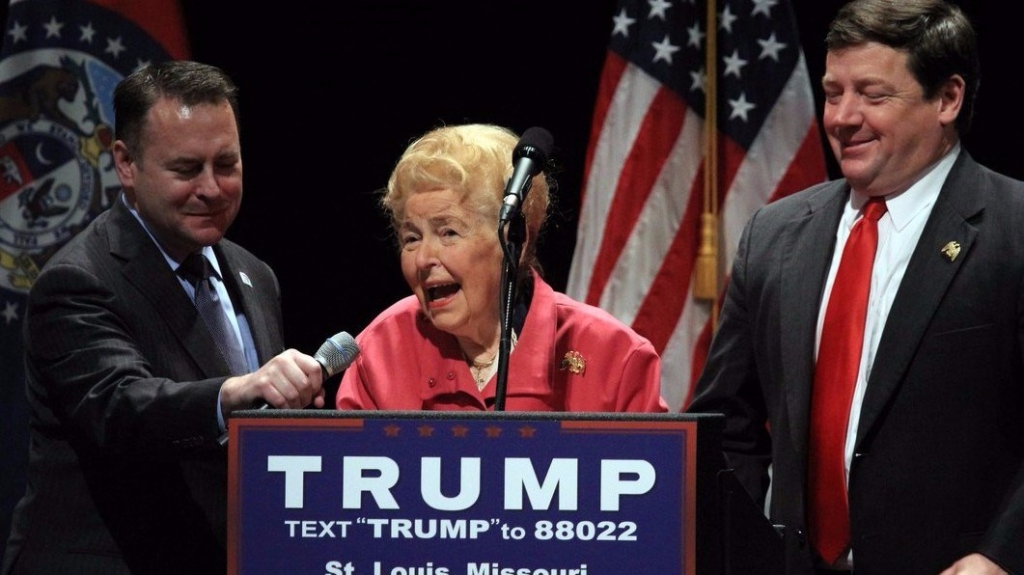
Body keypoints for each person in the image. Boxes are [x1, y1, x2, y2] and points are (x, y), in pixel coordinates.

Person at [686, 1, 1024, 574]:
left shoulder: (1014, 229)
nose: (842, 117)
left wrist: (1000, 555)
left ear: (947, 99)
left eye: (872, 94)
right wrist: (746, 552)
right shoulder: (773, 235)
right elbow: (724, 426)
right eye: (832, 91)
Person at [2, 61, 325, 574]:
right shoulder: (78, 280)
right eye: (186, 169)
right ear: (126, 164)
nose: (212, 188)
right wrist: (234, 392)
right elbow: (121, 406)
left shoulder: (254, 275)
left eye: (227, 164)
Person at [336, 123, 667, 413]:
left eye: (447, 232)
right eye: (411, 238)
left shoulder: (614, 358)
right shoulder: (380, 352)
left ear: (515, 243)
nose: (423, 259)